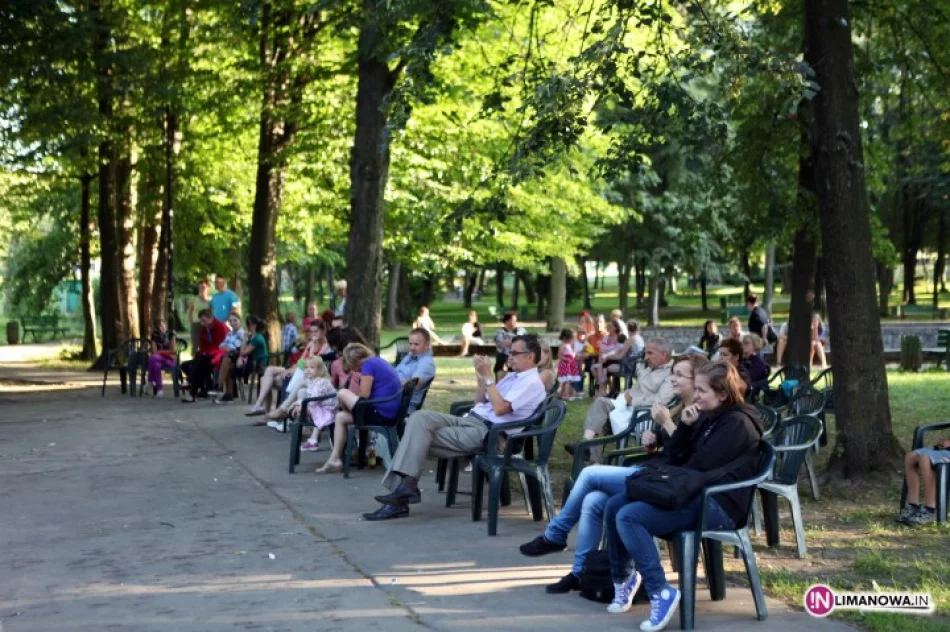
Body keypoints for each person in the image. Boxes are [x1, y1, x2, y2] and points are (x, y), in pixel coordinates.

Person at [518, 355, 710, 596]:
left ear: (698, 380)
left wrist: (667, 425)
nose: (673, 378)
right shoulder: (680, 407)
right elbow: (670, 450)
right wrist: (653, 440)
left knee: (589, 474)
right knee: (593, 500)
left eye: (680, 374)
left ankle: (555, 535)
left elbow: (687, 461)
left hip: (666, 484)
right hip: (656, 475)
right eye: (673, 372)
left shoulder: (701, 413)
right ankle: (580, 572)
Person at [601, 361, 763, 630]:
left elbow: (696, 467)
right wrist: (686, 427)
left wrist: (684, 442)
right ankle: (624, 578)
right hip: (695, 493)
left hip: (719, 505)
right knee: (616, 503)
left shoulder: (737, 423)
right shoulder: (710, 417)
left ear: (722, 394)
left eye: (702, 390)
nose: (696, 395)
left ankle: (659, 591)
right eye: (696, 389)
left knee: (630, 516)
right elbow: (678, 460)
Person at [363, 334, 546, 521]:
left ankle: (401, 497)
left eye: (514, 353)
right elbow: (480, 403)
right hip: (474, 421)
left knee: (416, 438)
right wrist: (482, 379)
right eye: (509, 351)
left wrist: (490, 378)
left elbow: (500, 409)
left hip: (489, 434)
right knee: (418, 419)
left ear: (530, 356)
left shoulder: (531, 383)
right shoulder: (513, 377)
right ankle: (406, 490)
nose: (509, 356)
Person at [567, 339, 675, 463]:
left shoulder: (671, 372)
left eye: (650, 353)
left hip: (642, 415)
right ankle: (587, 447)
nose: (646, 357)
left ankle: (588, 453)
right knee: (600, 404)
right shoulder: (649, 367)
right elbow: (638, 387)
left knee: (600, 415)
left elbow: (661, 400)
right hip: (625, 405)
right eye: (645, 353)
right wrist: (626, 395)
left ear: (663, 354)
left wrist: (633, 401)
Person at [316, 343, 402, 474]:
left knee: (342, 393)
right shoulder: (377, 361)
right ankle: (335, 460)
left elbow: (364, 395)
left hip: (381, 414)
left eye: (354, 367)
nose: (355, 371)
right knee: (340, 417)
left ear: (357, 361)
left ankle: (348, 454)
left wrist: (347, 401)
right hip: (386, 411)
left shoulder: (368, 365)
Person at [247, 320, 328, 417]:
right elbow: (301, 361)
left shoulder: (324, 345)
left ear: (323, 331)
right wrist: (289, 370)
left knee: (266, 379)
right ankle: (259, 406)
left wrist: (310, 349)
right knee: (269, 370)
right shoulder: (311, 343)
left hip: (307, 373)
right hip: (299, 369)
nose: (313, 334)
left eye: (316, 331)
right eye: (312, 331)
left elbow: (312, 363)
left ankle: (267, 412)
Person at [214, 315, 269, 404]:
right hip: (251, 361)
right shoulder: (252, 337)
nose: (248, 327)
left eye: (249, 325)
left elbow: (243, 352)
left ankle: (219, 387)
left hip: (258, 364)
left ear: (254, 325)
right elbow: (242, 352)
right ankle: (228, 395)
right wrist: (240, 355)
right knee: (228, 365)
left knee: (228, 362)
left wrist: (244, 339)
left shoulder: (257, 338)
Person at [897, 437, 950, 526]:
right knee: (910, 456)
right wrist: (944, 441)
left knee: (924, 459)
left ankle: (930, 509)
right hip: (944, 449)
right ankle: (913, 505)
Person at [292, 357, 339, 451]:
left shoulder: (321, 382)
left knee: (305, 409)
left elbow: (313, 400)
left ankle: (313, 440)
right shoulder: (313, 380)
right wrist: (297, 403)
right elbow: (310, 397)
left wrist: (301, 406)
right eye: (306, 367)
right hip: (322, 406)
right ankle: (313, 439)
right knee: (303, 406)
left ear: (320, 369)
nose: (308, 370)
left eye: (312, 367)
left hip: (330, 409)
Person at [181, 309, 228, 403]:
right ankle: (202, 388)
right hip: (207, 356)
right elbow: (202, 347)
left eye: (204, 320)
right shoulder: (203, 329)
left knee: (198, 365)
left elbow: (220, 346)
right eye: (201, 320)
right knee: (186, 365)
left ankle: (191, 389)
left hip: (218, 357)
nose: (202, 323)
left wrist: (205, 353)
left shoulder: (221, 327)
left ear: (211, 319)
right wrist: (199, 354)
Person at [394, 328, 437, 413]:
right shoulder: (410, 356)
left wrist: (387, 383)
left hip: (401, 406)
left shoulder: (426, 362)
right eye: (410, 344)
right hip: (391, 398)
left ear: (427, 344)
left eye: (416, 344)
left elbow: (413, 384)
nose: (412, 347)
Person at [600, 320, 645, 393]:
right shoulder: (640, 339)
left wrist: (608, 357)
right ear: (638, 328)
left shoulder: (630, 340)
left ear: (628, 329)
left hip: (629, 367)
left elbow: (620, 356)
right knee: (609, 365)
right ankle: (613, 391)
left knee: (607, 367)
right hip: (638, 365)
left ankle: (611, 391)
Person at [592, 319, 626, 395]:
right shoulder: (606, 338)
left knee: (600, 367)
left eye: (610, 326)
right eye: (608, 326)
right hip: (604, 359)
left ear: (616, 328)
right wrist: (601, 358)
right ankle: (603, 390)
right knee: (595, 367)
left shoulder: (619, 338)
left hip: (614, 360)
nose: (608, 327)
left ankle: (601, 391)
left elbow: (617, 352)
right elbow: (601, 350)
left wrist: (606, 357)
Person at [146, 319, 177, 398]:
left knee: (153, 358)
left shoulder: (171, 334)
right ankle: (160, 390)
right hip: (158, 359)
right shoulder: (154, 335)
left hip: (170, 359)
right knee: (156, 365)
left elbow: (172, 350)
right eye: (159, 326)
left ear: (166, 326)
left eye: (162, 326)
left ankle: (150, 381)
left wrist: (160, 352)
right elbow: (154, 350)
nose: (161, 328)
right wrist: (162, 352)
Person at [493, 311, 527, 381]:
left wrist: (510, 341)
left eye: (515, 320)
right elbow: (501, 344)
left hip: (518, 356)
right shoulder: (500, 332)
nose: (515, 322)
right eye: (513, 320)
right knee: (500, 373)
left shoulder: (521, 330)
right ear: (506, 321)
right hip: (503, 356)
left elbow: (526, 341)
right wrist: (517, 341)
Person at [556, 329, 581, 401]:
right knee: (567, 380)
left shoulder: (568, 345)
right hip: (565, 364)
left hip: (569, 365)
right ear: (564, 338)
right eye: (570, 339)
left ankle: (561, 395)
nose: (571, 340)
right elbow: (559, 355)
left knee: (566, 381)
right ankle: (566, 395)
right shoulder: (563, 345)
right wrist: (567, 359)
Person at [186, 280, 212, 352]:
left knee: (208, 345)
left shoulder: (211, 300)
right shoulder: (194, 299)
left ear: (208, 288)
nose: (202, 289)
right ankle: (194, 361)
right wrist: (191, 323)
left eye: (204, 287)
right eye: (200, 287)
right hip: (196, 324)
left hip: (208, 325)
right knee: (195, 346)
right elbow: (189, 312)